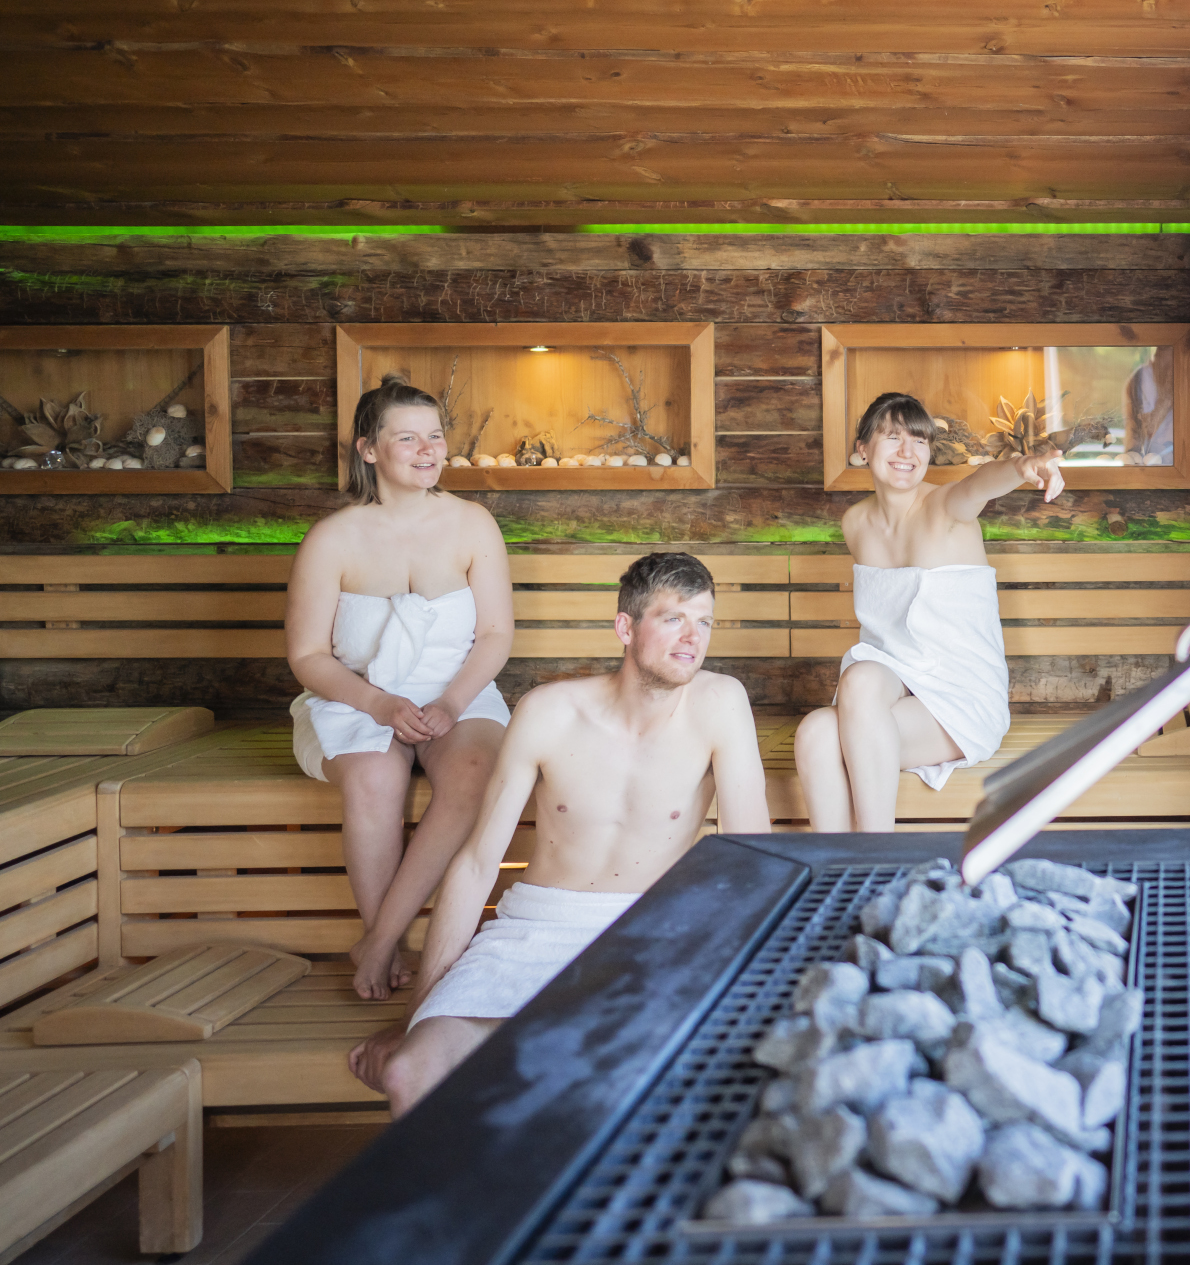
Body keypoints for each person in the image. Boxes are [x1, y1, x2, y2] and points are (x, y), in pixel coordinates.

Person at [349, 551, 770, 1116]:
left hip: (653, 933)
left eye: (705, 622)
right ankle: (465, 1204)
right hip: (535, 929)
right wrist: (418, 1015)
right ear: (626, 626)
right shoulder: (549, 711)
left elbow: (754, 863)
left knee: (625, 1074)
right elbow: (476, 865)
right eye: (674, 618)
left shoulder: (720, 704)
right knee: (409, 1072)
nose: (693, 638)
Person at [286, 377, 513, 1002]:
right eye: (407, 437)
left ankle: (380, 944)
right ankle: (383, 938)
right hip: (357, 693)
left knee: (475, 773)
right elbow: (306, 656)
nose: (427, 450)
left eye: (435, 436)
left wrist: (449, 704)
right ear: (368, 449)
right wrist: (380, 705)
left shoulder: (472, 524)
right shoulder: (332, 539)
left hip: (459, 691)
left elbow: (495, 636)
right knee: (373, 777)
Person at [795, 391, 1062, 832]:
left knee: (848, 703)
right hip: (894, 682)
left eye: (919, 441)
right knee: (815, 731)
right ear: (862, 450)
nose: (907, 452)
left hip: (960, 695)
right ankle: (839, 873)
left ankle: (874, 855)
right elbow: (887, 638)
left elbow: (978, 484)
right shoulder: (856, 524)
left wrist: (1022, 467)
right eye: (893, 437)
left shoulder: (945, 509)